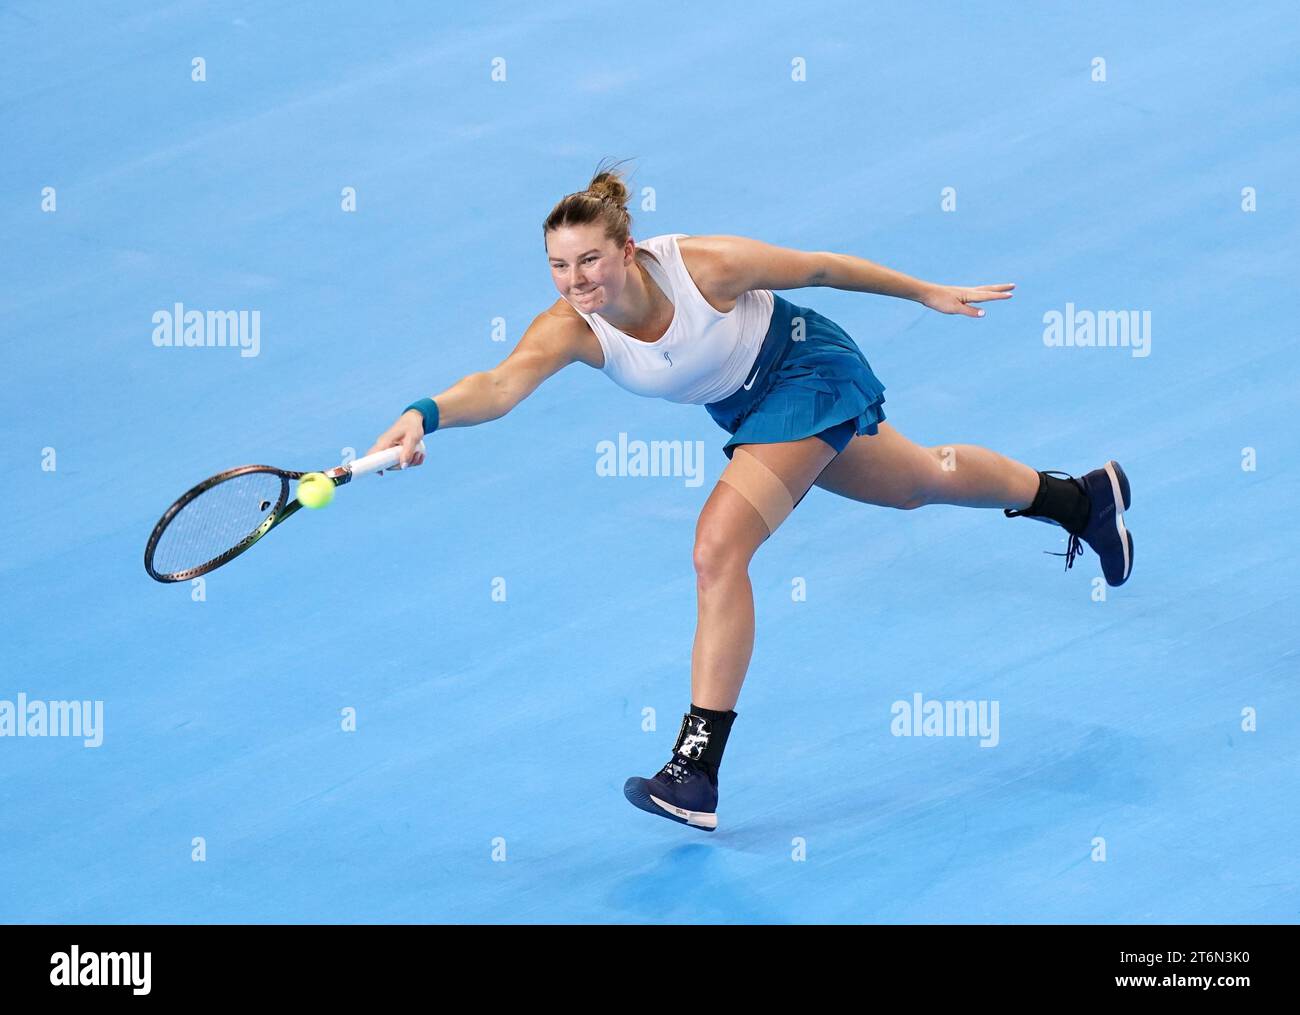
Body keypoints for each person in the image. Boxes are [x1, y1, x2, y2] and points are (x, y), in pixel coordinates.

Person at [366, 158, 1134, 832]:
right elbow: (499, 385)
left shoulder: (707, 267)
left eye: (590, 261)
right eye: (560, 267)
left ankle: (695, 766)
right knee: (919, 482)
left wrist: (923, 292)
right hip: (750, 408)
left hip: (806, 369)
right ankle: (1082, 500)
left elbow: (822, 267)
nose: (577, 282)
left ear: (627, 251)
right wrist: (421, 413)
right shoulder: (571, 327)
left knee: (717, 548)